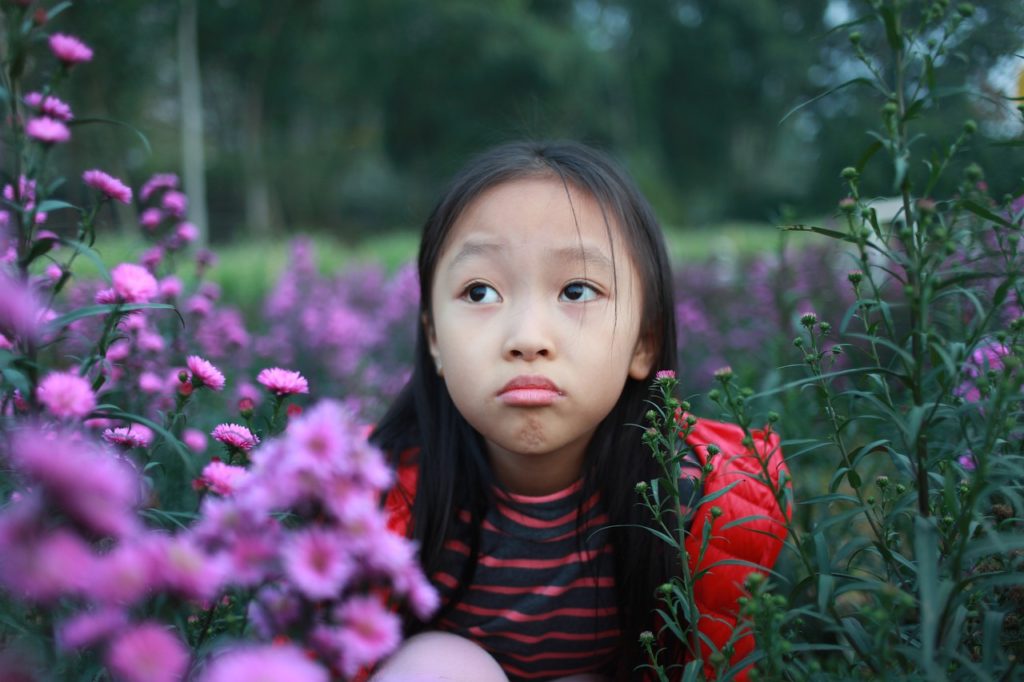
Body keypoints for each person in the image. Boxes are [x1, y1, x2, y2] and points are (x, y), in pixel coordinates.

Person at [368, 141, 789, 681]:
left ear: (645, 342)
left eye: (576, 289)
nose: (527, 338)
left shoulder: (701, 506)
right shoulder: (378, 500)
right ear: (433, 340)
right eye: (479, 292)